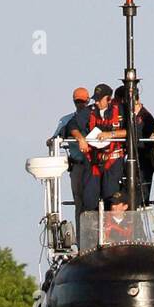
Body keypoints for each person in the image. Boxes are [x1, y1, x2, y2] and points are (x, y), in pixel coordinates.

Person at [71, 83, 126, 213]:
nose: (96, 102)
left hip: (113, 161)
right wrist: (80, 139)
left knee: (110, 199)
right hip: (93, 162)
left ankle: (110, 231)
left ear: (108, 98)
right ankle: (91, 231)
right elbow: (72, 125)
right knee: (89, 200)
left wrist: (110, 135)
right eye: (95, 99)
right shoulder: (89, 111)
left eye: (99, 99)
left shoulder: (121, 110)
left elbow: (131, 131)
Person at [51, 86, 91, 227]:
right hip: (78, 165)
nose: (81, 105)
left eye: (83, 102)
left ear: (88, 101)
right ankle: (82, 239)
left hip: (95, 166)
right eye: (77, 102)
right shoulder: (67, 120)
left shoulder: (95, 118)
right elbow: (53, 139)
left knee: (96, 201)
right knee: (79, 202)